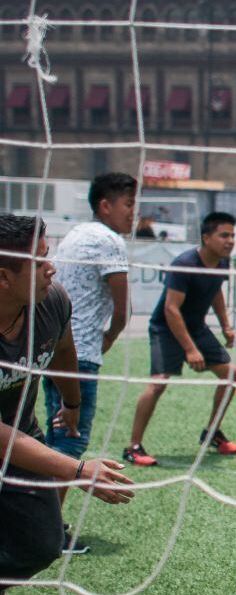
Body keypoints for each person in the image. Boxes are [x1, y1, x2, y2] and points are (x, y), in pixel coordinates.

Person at [0, 214, 134, 595]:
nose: (52, 268)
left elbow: (62, 348)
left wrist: (72, 402)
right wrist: (77, 470)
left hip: (22, 431)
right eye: (40, 262)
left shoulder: (52, 300)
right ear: (4, 277)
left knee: (42, 542)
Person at [41, 173, 135, 553]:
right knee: (68, 442)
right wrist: (109, 337)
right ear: (105, 206)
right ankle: (50, 532)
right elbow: (121, 305)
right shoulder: (109, 241)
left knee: (50, 438)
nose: (133, 213)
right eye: (128, 204)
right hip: (78, 354)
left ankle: (37, 523)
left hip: (50, 348)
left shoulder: (76, 234)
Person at [124, 212, 236, 466]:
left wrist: (226, 326)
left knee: (232, 375)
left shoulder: (222, 262)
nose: (230, 240)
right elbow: (171, 309)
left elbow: (216, 292)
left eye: (232, 235)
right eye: (224, 235)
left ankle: (211, 433)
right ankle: (133, 447)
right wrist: (190, 349)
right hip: (166, 329)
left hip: (196, 327)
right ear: (206, 238)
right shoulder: (185, 263)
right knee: (158, 383)